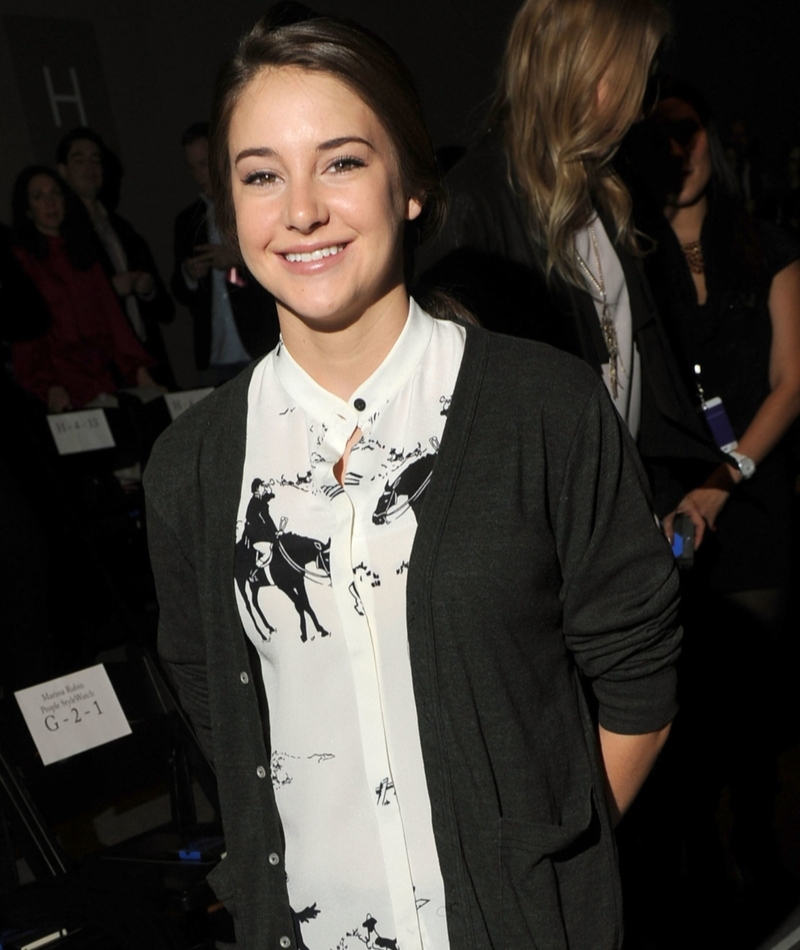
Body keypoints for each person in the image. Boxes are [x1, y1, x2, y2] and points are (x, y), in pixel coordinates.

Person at [144, 10, 682, 950]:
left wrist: (539, 861)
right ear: (232, 211)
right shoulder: (190, 468)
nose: (301, 209)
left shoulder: (540, 406)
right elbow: (212, 696)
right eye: (261, 175)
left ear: (413, 188)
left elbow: (638, 681)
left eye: (342, 162)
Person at [416, 0, 721, 519]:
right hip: (543, 534)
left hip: (621, 518)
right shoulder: (474, 201)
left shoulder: (612, 196)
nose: (642, 103)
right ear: (580, 70)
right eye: (634, 77)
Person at [637, 82, 800, 925]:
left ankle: (755, 847)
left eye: (687, 130)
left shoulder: (765, 243)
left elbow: (792, 382)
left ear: (710, 136)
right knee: (686, 700)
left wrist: (726, 476)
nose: (676, 149)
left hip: (754, 496)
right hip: (670, 508)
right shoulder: (633, 259)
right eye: (658, 136)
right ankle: (700, 857)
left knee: (758, 701)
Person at [10, 166, 159, 412]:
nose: (50, 203)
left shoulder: (83, 253)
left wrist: (138, 371)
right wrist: (48, 386)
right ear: (27, 209)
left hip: (103, 381)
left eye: (55, 193)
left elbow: (113, 321)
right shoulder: (23, 263)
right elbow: (28, 336)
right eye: (39, 197)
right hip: (58, 389)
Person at [56, 126, 177, 387]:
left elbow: (165, 308)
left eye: (95, 160)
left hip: (148, 359)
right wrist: (109, 291)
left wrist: (146, 288)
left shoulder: (123, 229)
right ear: (63, 170)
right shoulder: (60, 235)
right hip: (101, 371)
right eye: (79, 160)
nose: (89, 167)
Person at [171, 121, 280, 384]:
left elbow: (284, 266)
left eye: (204, 162)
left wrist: (238, 260)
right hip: (215, 351)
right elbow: (178, 290)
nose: (200, 173)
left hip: (262, 342)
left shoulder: (253, 205)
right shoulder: (187, 220)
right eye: (192, 165)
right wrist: (188, 273)